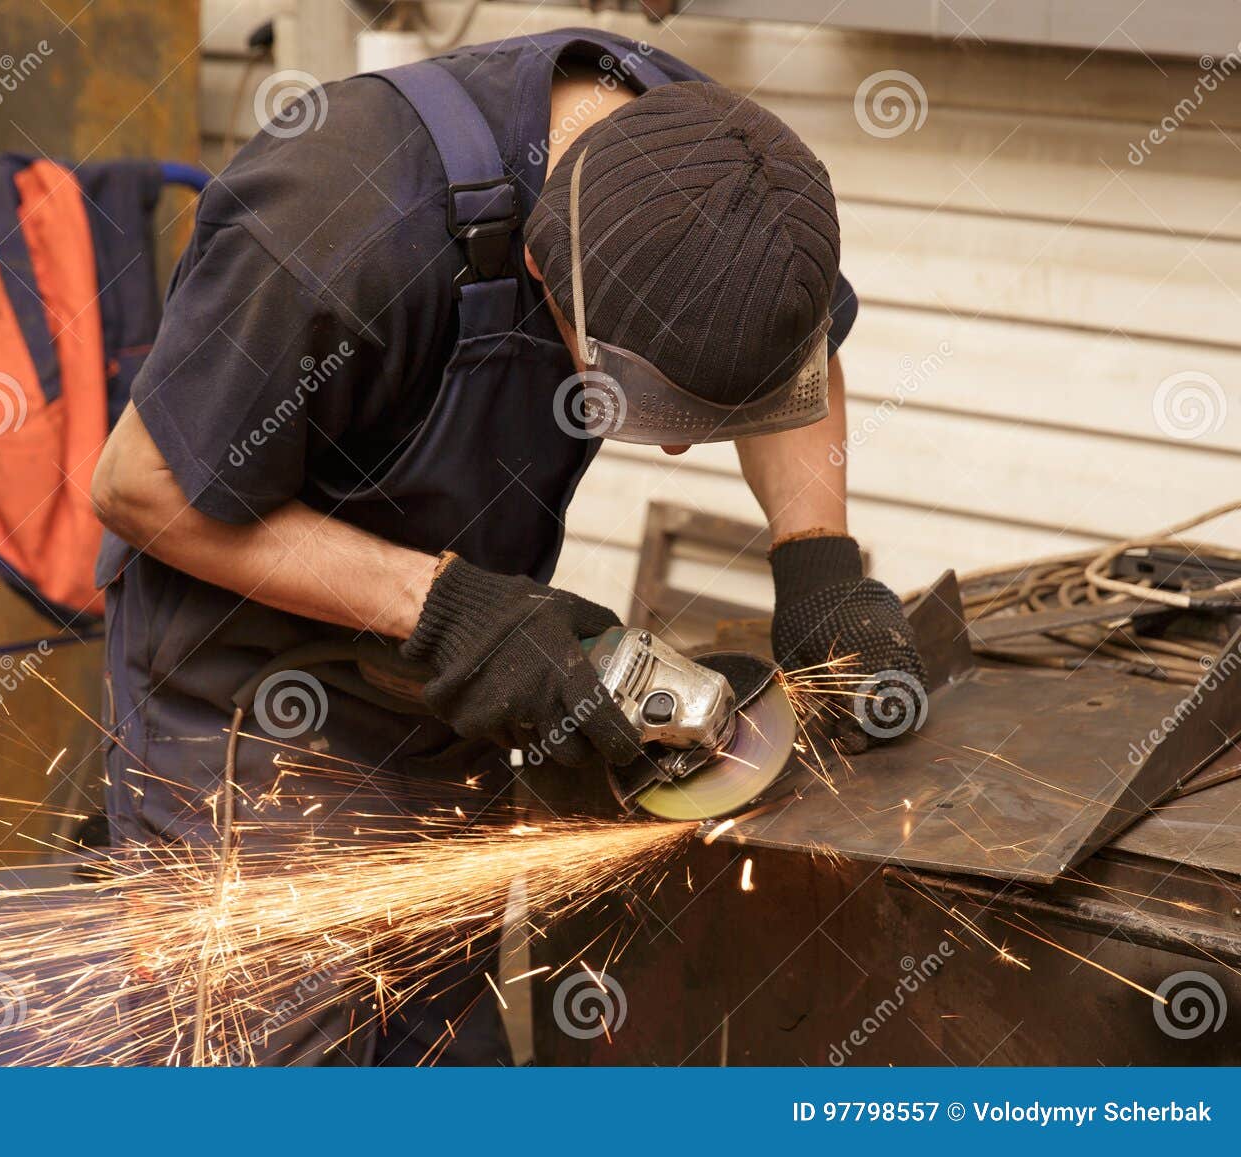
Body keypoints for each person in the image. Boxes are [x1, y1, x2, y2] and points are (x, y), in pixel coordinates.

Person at [90, 28, 928, 1065]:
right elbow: (138, 482)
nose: (673, 441)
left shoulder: (717, 163)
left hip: (450, 683)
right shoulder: (337, 214)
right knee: (282, 1053)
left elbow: (793, 348)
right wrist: (442, 607)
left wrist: (816, 560)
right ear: (542, 267)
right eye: (648, 400)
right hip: (250, 702)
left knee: (443, 1031)